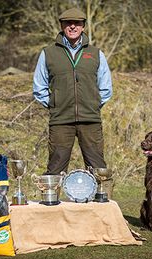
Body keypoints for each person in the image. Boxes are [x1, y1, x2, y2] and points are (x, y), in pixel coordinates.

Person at [33, 7, 113, 175]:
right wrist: (55, 104)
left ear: (83, 26)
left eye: (77, 23)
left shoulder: (96, 54)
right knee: (55, 169)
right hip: (60, 121)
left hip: (90, 120)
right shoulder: (48, 53)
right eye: (68, 23)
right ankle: (51, 201)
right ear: (62, 26)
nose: (72, 27)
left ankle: (101, 202)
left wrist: (93, 104)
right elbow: (39, 87)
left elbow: (106, 88)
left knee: (99, 168)